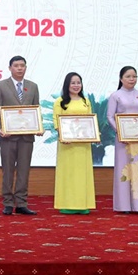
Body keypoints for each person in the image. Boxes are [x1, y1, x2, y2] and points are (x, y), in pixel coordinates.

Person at [0, 56, 40, 215]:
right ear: (10, 68)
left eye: (22, 65)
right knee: (8, 170)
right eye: (16, 65)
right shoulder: (0, 86)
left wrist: (38, 126)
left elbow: (36, 109)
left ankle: (21, 203)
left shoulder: (33, 86)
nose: (19, 68)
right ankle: (7, 203)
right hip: (8, 136)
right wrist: (0, 128)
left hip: (26, 137)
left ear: (26, 68)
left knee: (24, 171)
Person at [107, 66, 138, 213]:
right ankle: (124, 205)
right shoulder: (115, 96)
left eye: (134, 76)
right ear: (121, 79)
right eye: (128, 76)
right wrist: (120, 132)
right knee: (124, 169)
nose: (132, 79)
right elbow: (110, 117)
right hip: (123, 140)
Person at [52, 72, 95, 215]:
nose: (76, 85)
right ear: (67, 85)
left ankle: (83, 204)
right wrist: (62, 135)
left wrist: (94, 133)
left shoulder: (86, 101)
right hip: (67, 144)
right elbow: (56, 120)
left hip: (83, 145)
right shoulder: (60, 101)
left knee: (83, 174)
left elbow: (90, 120)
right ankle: (66, 204)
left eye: (78, 83)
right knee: (68, 174)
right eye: (73, 83)